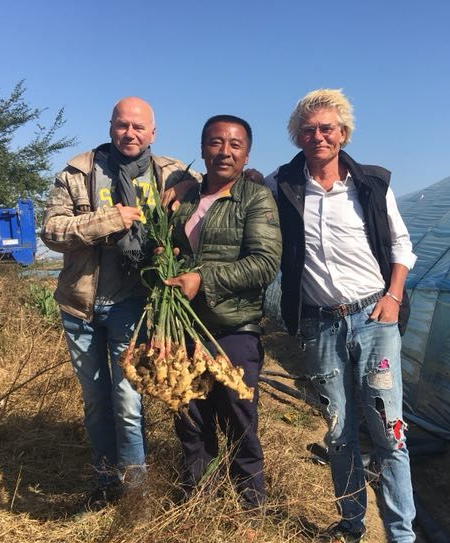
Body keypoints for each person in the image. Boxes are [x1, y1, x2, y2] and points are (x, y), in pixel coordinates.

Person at [265, 89, 426, 543]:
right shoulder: (281, 186)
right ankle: (352, 524)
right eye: (309, 130)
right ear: (298, 136)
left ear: (343, 134)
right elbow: (239, 198)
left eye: (327, 128)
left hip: (373, 318)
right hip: (319, 326)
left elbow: (401, 247)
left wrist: (394, 297)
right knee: (337, 430)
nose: (319, 136)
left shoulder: (372, 184)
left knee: (389, 431)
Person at [41, 97, 196, 509]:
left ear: (153, 132)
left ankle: (135, 494)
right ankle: (105, 481)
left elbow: (217, 191)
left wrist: (189, 186)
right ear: (111, 126)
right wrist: (109, 219)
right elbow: (52, 230)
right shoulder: (79, 171)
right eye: (123, 125)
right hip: (81, 304)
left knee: (128, 401)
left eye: (139, 127)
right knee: (95, 402)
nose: (130, 133)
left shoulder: (172, 172)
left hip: (135, 304)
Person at [164, 115, 281, 508]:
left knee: (239, 421)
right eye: (215, 142)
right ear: (202, 149)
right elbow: (168, 249)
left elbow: (265, 263)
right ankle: (198, 502)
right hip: (185, 329)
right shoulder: (185, 199)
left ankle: (251, 508)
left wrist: (203, 278)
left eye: (234, 144)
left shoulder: (255, 198)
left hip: (233, 329)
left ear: (247, 153)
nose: (224, 151)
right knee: (191, 421)